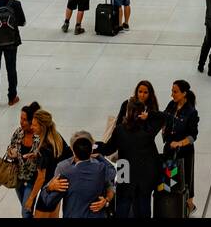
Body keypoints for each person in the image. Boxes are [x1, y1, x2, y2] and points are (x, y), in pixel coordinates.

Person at [100, 81, 164, 218]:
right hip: (145, 171)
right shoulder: (148, 130)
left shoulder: (120, 130)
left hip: (124, 168)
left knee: (123, 203)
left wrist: (95, 147)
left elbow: (108, 148)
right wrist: (149, 117)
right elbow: (162, 118)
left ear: (128, 112)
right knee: (143, 204)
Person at [32, 131, 115, 218]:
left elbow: (49, 200)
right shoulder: (102, 166)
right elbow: (111, 178)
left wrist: (48, 188)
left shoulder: (64, 169)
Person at [22, 109, 70, 217]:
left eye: (34, 125)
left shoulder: (43, 148)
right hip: (57, 191)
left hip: (47, 191)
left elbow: (41, 178)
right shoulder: (57, 137)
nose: (31, 127)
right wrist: (37, 156)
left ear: (42, 127)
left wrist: (31, 199)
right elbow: (65, 156)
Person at [161, 79, 199, 213]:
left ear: (184, 93)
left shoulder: (191, 112)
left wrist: (179, 143)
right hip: (170, 150)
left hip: (184, 153)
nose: (172, 94)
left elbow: (193, 136)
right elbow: (163, 118)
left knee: (185, 180)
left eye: (175, 92)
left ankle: (189, 205)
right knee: (169, 179)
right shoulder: (171, 105)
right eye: (172, 91)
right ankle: (170, 207)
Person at [4, 101, 42, 217]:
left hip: (32, 179)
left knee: (25, 210)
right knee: (26, 209)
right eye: (21, 118)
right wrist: (11, 152)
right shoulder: (18, 132)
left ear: (32, 121)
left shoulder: (39, 136)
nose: (21, 122)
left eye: (25, 119)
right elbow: (10, 147)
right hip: (18, 177)